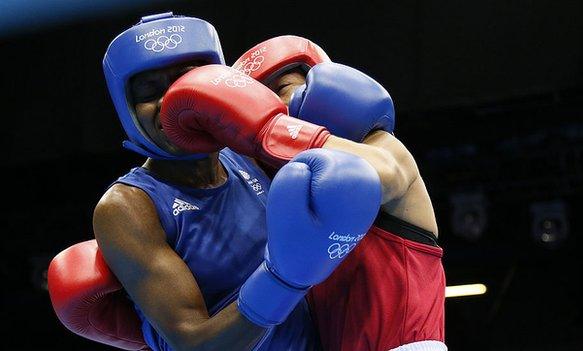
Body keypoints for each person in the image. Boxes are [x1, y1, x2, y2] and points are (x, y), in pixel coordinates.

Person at [46, 12, 414, 351]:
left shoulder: (254, 155)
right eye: (149, 92)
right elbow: (198, 345)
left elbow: (387, 178)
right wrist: (284, 278)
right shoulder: (130, 206)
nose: (173, 101)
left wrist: (281, 130)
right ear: (125, 109)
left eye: (188, 80)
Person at [230, 36, 447, 351]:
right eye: (257, 103)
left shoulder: (383, 148)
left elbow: (373, 178)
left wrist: (274, 130)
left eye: (281, 90)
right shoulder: (277, 200)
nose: (271, 108)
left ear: (325, 86)